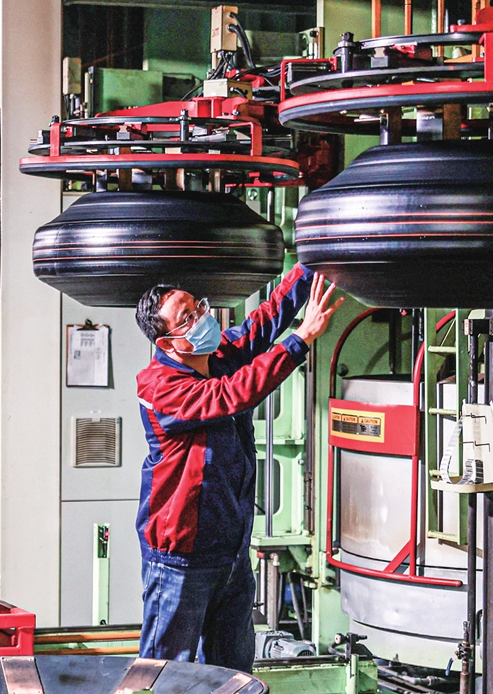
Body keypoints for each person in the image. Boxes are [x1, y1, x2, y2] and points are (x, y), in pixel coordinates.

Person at [132, 263, 344, 672]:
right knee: (164, 675)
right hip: (180, 560)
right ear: (168, 340)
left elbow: (263, 322)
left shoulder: (216, 356)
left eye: (199, 308)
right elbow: (234, 394)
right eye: (187, 317)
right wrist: (300, 340)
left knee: (232, 675)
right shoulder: (160, 387)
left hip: (231, 551)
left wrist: (309, 262)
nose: (202, 319)